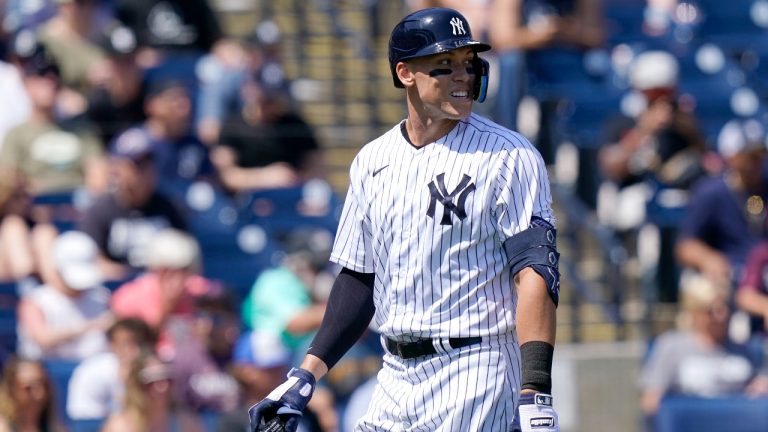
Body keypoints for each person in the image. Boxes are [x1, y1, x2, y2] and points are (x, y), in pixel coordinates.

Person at [248, 8, 560, 432]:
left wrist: (535, 388)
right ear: (406, 73)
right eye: (444, 66)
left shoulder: (510, 155)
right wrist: (303, 376)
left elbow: (536, 273)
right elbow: (358, 280)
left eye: (468, 64)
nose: (463, 77)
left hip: (477, 367)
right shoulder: (372, 161)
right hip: (394, 374)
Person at [639, 273, 768, 418]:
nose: (722, 316)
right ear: (695, 313)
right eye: (712, 311)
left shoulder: (745, 350)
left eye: (726, 308)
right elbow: (650, 401)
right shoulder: (671, 346)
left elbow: (758, 386)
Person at [78, 134, 188, 279]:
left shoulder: (170, 208)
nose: (146, 172)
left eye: (149, 163)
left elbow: (187, 256)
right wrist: (131, 278)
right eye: (138, 165)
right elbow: (91, 260)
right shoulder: (100, 210)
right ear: (117, 170)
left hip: (162, 290)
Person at [675, 118, 768, 289]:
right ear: (732, 157)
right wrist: (709, 259)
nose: (757, 162)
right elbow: (686, 246)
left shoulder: (764, 188)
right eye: (750, 156)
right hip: (731, 276)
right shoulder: (711, 193)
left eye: (761, 155)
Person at [17, 230, 113, 361]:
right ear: (57, 269)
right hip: (50, 374)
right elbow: (42, 338)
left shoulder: (101, 296)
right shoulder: (36, 300)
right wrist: (87, 327)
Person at [66, 317, 157, 420]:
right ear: (111, 344)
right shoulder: (95, 370)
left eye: (138, 343)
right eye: (126, 343)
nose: (133, 350)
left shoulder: (155, 370)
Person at [101, 350, 203, 432]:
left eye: (167, 379)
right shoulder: (120, 426)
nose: (162, 387)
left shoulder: (186, 422)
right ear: (137, 385)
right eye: (151, 381)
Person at [0, 357, 65, 432]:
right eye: (28, 388)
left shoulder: (57, 428)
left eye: (44, 385)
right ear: (11, 389)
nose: (40, 394)